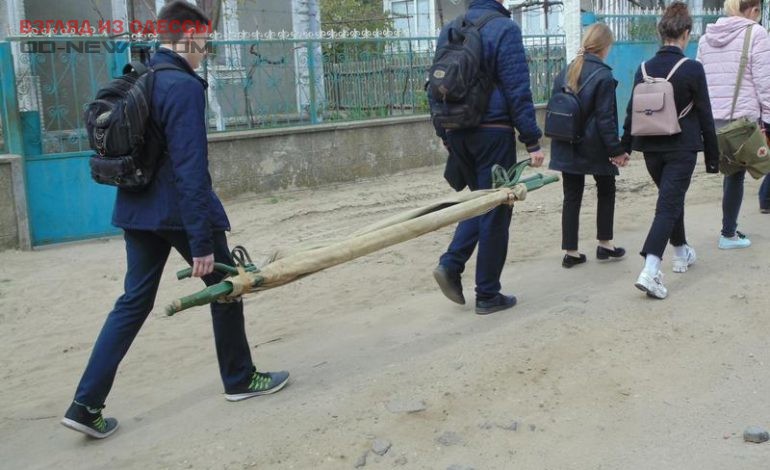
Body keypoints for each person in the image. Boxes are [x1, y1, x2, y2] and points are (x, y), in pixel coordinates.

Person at [61, 1, 289, 439]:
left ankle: (85, 404)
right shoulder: (181, 86)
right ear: (187, 37)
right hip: (179, 213)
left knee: (132, 303)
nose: (205, 48)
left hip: (137, 210)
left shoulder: (142, 77)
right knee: (227, 288)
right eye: (203, 41)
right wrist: (202, 242)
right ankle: (240, 378)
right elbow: (189, 167)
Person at [430, 0, 545, 315]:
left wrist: (444, 134)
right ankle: (488, 294)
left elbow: (435, 83)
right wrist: (532, 141)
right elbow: (517, 89)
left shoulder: (451, 27)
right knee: (496, 208)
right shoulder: (504, 28)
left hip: (457, 130)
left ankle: (452, 264)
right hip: (492, 131)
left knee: (479, 201)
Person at [621, 2, 720, 299]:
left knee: (670, 200)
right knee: (667, 205)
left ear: (660, 32)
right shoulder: (692, 68)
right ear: (686, 33)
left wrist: (624, 147)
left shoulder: (643, 69)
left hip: (650, 150)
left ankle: (681, 252)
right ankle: (650, 270)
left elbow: (632, 111)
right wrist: (713, 158)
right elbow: (705, 113)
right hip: (682, 148)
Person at [549, 23, 629, 269]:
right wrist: (616, 150)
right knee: (606, 189)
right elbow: (606, 119)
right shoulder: (603, 75)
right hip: (594, 146)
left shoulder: (566, 70)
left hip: (565, 143)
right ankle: (605, 244)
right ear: (605, 47)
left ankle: (571, 252)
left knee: (571, 196)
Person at [697, 0, 770, 246]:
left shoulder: (705, 38)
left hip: (711, 120)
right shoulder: (756, 34)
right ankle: (728, 233)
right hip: (742, 122)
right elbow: (765, 83)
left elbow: (699, 80)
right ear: (754, 10)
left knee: (730, 173)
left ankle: (687, 242)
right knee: (737, 175)